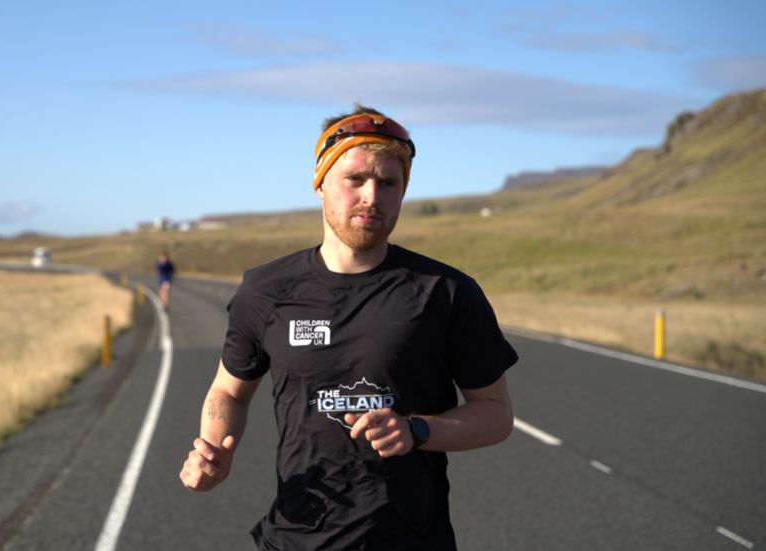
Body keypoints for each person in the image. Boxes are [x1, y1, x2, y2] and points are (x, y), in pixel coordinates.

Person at [179, 105, 518, 550]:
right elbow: (229, 391)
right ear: (320, 182)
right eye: (354, 179)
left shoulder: (447, 292)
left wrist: (417, 430)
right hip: (295, 538)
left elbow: (496, 415)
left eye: (388, 183)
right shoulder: (265, 290)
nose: (371, 196)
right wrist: (213, 450)